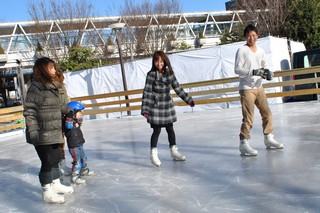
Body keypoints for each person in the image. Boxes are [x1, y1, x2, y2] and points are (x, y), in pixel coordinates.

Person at [23, 57, 74, 204]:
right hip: (41, 132)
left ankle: (56, 184)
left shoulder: (52, 86)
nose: (54, 70)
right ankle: (47, 192)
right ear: (44, 70)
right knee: (47, 161)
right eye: (51, 67)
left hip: (54, 130)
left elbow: (58, 105)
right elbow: (29, 110)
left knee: (56, 158)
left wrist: (70, 110)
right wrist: (33, 130)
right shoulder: (36, 88)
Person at [234, 24, 284, 156]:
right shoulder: (242, 51)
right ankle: (243, 143)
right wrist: (253, 71)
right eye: (249, 36)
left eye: (254, 35)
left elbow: (265, 65)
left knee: (267, 113)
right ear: (245, 37)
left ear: (257, 36)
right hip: (246, 88)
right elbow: (237, 69)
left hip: (259, 87)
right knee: (248, 117)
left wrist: (267, 72)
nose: (251, 38)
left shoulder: (261, 51)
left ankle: (268, 138)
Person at [141, 50, 195, 167]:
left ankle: (174, 151)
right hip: (155, 107)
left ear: (165, 61)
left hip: (167, 106)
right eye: (156, 61)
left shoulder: (169, 74)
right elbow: (147, 92)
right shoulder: (151, 75)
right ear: (154, 62)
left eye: (161, 61)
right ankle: (153, 154)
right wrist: (145, 109)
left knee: (170, 129)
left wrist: (188, 100)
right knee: (157, 130)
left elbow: (178, 88)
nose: (159, 63)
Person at [63, 101, 94, 185]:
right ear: (72, 114)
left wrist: (78, 118)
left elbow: (79, 121)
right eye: (79, 114)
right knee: (77, 162)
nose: (81, 116)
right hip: (74, 146)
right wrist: (70, 116)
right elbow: (68, 125)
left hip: (80, 144)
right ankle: (75, 177)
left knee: (84, 158)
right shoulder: (68, 123)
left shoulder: (76, 122)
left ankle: (84, 171)